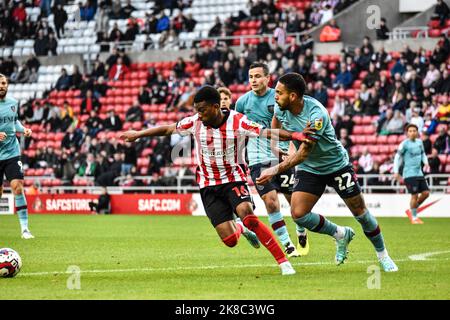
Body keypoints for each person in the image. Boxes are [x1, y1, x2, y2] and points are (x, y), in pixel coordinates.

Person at [120, 86, 316, 275]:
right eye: (197, 111)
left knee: (248, 216)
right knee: (230, 240)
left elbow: (267, 132)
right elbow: (168, 129)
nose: (199, 114)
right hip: (208, 185)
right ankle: (238, 228)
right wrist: (138, 134)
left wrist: (296, 135)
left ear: (215, 107)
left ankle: (284, 263)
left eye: (203, 110)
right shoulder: (195, 122)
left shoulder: (238, 121)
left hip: (233, 180)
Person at [256, 72, 398, 272]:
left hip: (336, 165)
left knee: (360, 213)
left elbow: (304, 153)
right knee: (298, 214)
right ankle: (340, 234)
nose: (275, 96)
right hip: (310, 169)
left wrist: (274, 169)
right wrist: (273, 145)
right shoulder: (281, 108)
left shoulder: (316, 116)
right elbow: (275, 122)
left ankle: (383, 255)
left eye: (279, 93)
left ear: (294, 96)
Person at [235, 62, 310, 258]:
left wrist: (290, 149)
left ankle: (301, 230)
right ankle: (287, 245)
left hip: (281, 156)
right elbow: (240, 133)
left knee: (294, 202)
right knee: (271, 202)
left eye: (258, 76)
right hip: (257, 160)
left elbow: (291, 122)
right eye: (251, 76)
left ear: (268, 78)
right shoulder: (242, 103)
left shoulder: (279, 97)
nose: (254, 80)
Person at [0, 74, 34, 239]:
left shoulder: (13, 103)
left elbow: (14, 122)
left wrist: (24, 129)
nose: (2, 86)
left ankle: (25, 229)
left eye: (4, 83)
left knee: (17, 187)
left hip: (12, 152)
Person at [394, 124, 430, 224]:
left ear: (417, 132)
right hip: (409, 174)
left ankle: (412, 209)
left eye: (414, 130)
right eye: (410, 131)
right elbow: (397, 157)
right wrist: (396, 171)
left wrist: (426, 162)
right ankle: (414, 217)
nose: (413, 132)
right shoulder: (404, 144)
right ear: (407, 133)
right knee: (414, 195)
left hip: (419, 173)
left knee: (426, 193)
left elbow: (423, 154)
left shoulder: (419, 142)